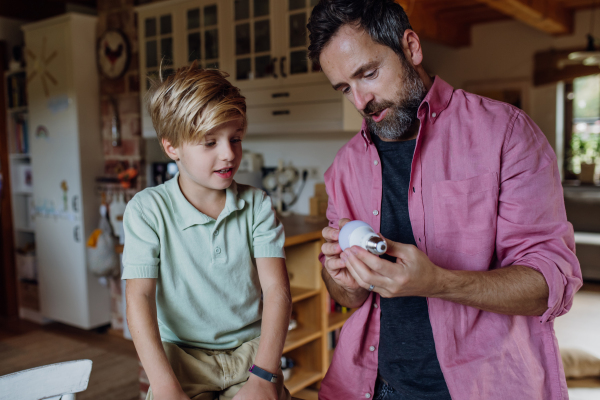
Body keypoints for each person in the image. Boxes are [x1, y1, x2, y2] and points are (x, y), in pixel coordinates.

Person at [307, 1, 582, 399]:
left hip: (485, 388)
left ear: (412, 47)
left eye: (368, 74)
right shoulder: (345, 167)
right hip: (376, 387)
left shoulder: (506, 134)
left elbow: (552, 283)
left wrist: (438, 282)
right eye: (345, 88)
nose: (361, 101)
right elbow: (349, 297)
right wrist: (342, 279)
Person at [122, 64, 292, 400]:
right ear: (172, 148)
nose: (228, 153)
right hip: (182, 361)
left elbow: (277, 291)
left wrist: (262, 375)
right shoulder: (147, 210)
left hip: (252, 357)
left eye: (236, 138)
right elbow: (138, 298)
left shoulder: (257, 205)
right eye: (209, 142)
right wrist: (166, 384)